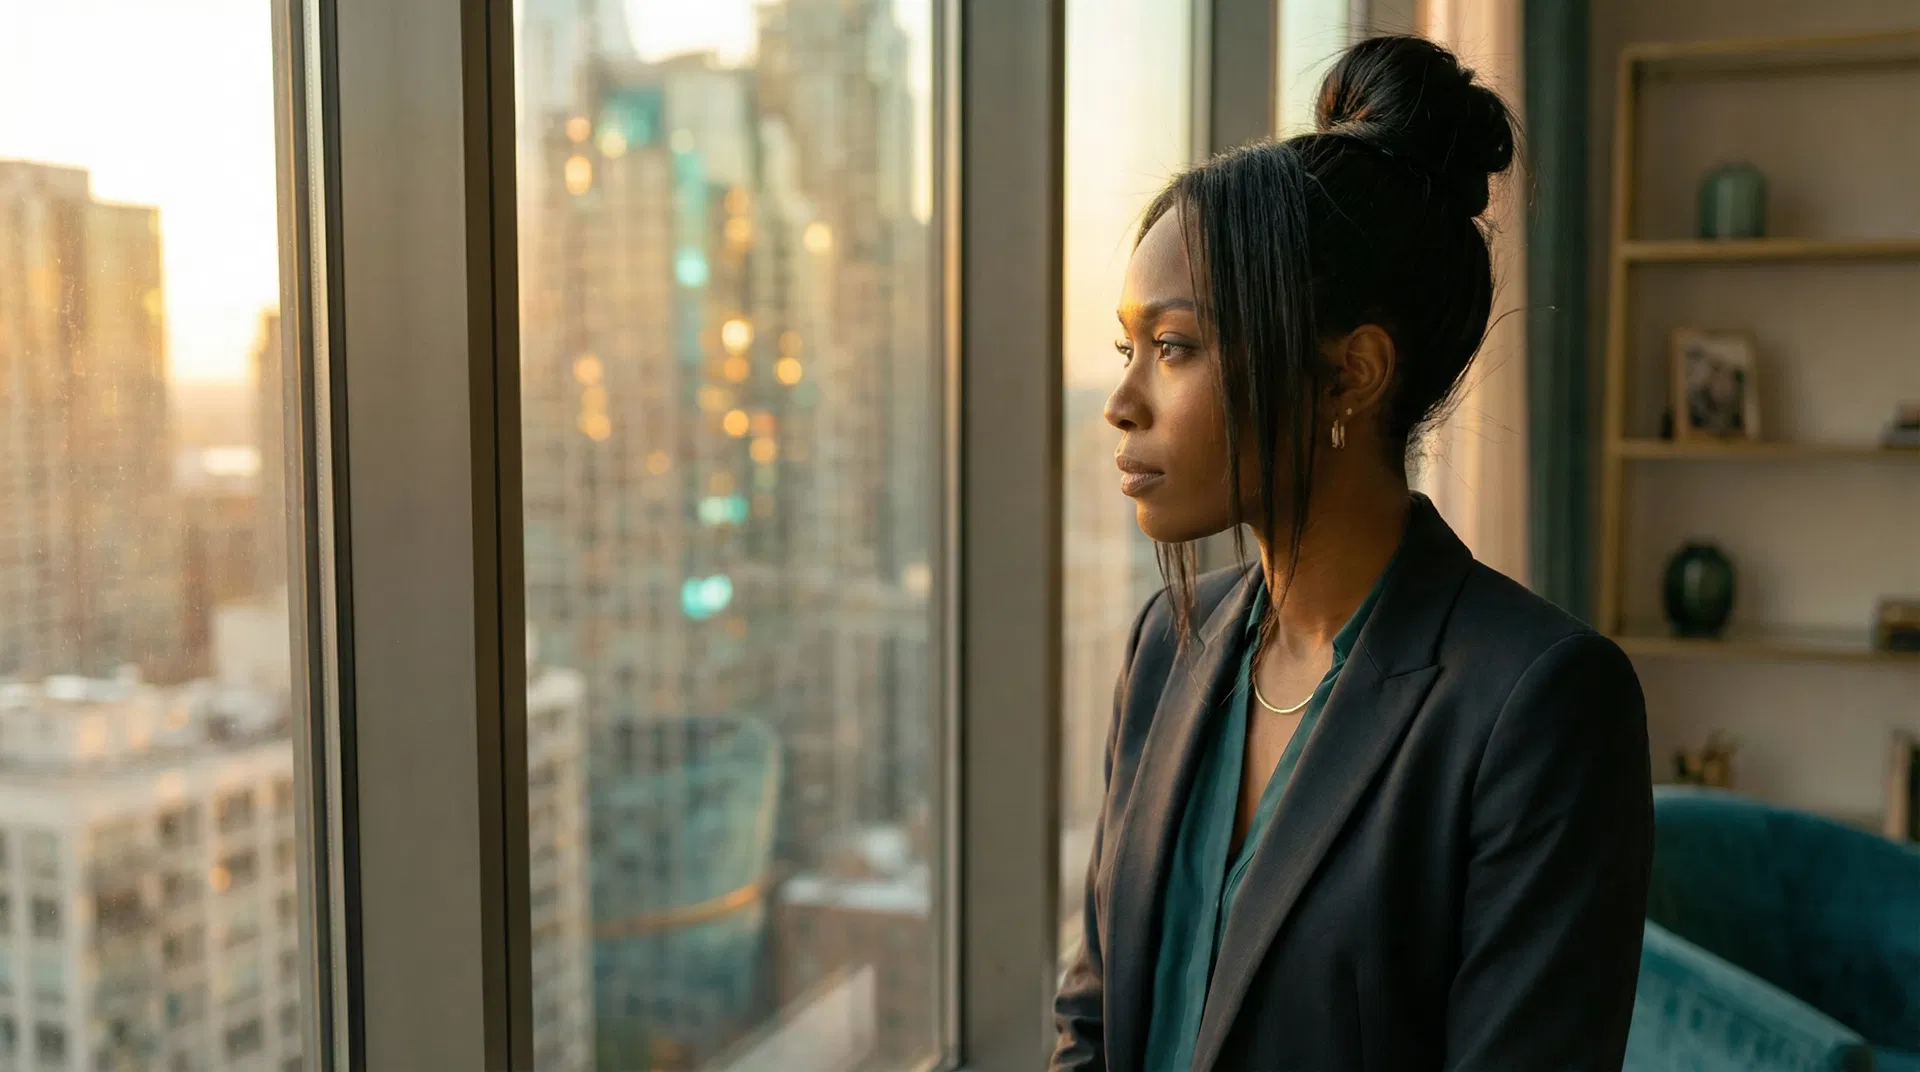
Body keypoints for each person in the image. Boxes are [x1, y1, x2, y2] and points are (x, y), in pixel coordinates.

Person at [1051, 35, 1653, 1072]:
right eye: (1127, 350)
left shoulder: (1538, 706)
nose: (1123, 403)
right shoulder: (1169, 646)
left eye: (1177, 348)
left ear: (1349, 376)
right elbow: (1094, 1023)